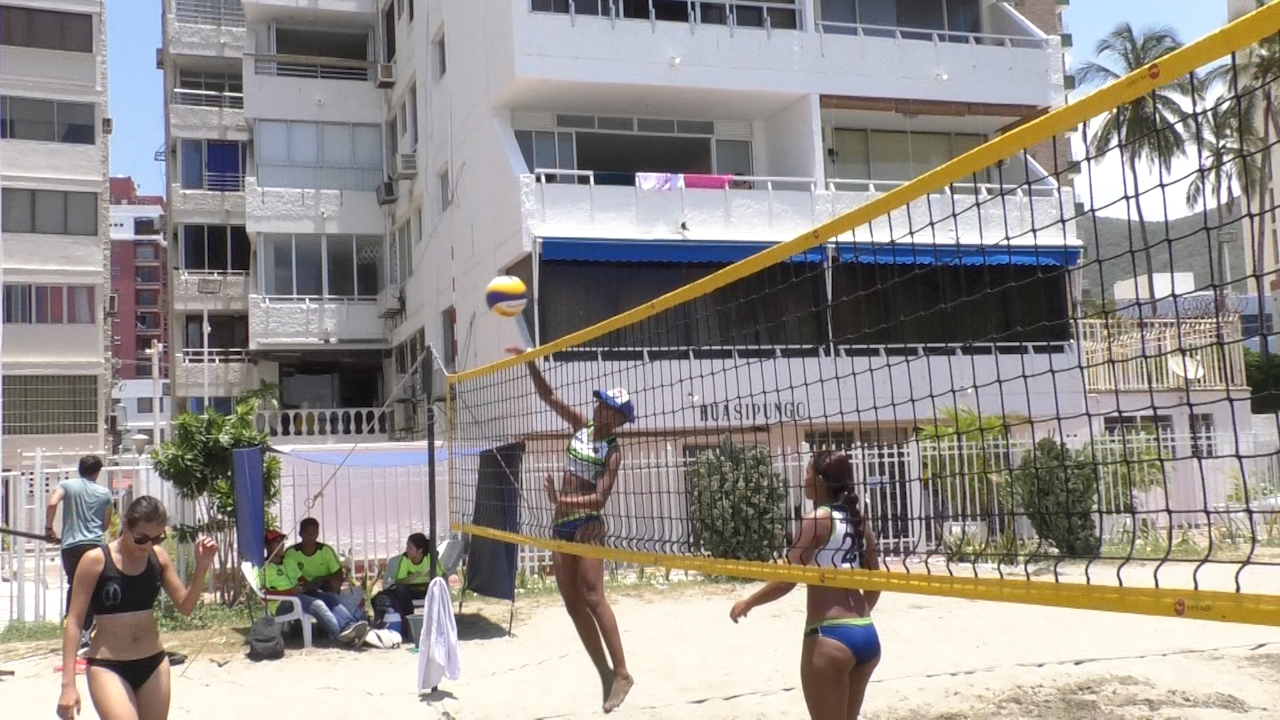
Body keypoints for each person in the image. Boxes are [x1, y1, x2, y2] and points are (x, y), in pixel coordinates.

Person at [506, 345, 636, 714]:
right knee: (572, 604)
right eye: (598, 401)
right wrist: (528, 361)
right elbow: (548, 396)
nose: (597, 405)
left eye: (604, 404)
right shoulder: (582, 427)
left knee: (594, 599)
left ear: (616, 416)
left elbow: (599, 499)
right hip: (560, 524)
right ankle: (605, 674)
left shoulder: (613, 452)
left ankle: (623, 672)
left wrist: (561, 502)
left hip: (588, 525)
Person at [729, 451, 882, 720]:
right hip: (866, 634)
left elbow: (787, 581)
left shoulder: (815, 520)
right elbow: (875, 581)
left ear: (821, 481)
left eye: (809, 472)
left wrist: (748, 602)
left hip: (830, 638)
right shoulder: (859, 520)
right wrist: (856, 617)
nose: (805, 477)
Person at [56, 496, 218, 720]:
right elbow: (74, 621)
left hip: (153, 663)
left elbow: (185, 606)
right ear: (125, 525)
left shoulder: (158, 558)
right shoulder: (96, 560)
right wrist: (68, 684)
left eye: (157, 538)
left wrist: (201, 568)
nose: (148, 545)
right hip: (108, 665)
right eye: (141, 538)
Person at [46, 455, 115, 659]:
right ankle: (90, 632)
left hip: (71, 546)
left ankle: (73, 629)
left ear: (79, 469)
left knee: (74, 586)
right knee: (94, 587)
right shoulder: (104, 493)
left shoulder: (66, 485)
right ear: (97, 472)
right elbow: (105, 524)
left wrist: (49, 528)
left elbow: (52, 503)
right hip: (94, 546)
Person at [263, 529, 368, 647]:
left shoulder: (288, 561)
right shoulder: (265, 568)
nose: (280, 545)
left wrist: (310, 586)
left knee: (330, 598)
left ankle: (349, 625)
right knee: (317, 604)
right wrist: (290, 592)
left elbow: (301, 579)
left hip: (299, 595)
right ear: (267, 546)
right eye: (276, 542)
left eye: (282, 542)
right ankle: (342, 635)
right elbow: (264, 596)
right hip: (281, 604)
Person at [371, 533, 436, 642]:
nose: (407, 550)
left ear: (420, 550)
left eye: (410, 547)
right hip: (409, 592)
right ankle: (408, 626)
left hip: (427, 590)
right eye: (407, 546)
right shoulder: (405, 558)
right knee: (401, 590)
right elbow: (399, 581)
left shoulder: (431, 558)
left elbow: (443, 575)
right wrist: (414, 576)